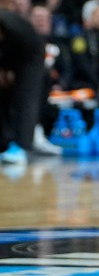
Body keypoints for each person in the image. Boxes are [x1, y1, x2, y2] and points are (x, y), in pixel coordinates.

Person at [0, 10, 45, 164]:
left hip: (30, 54)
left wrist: (8, 69)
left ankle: (22, 146)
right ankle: (5, 142)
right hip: (8, 52)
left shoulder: (11, 25)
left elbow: (21, 48)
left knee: (26, 98)